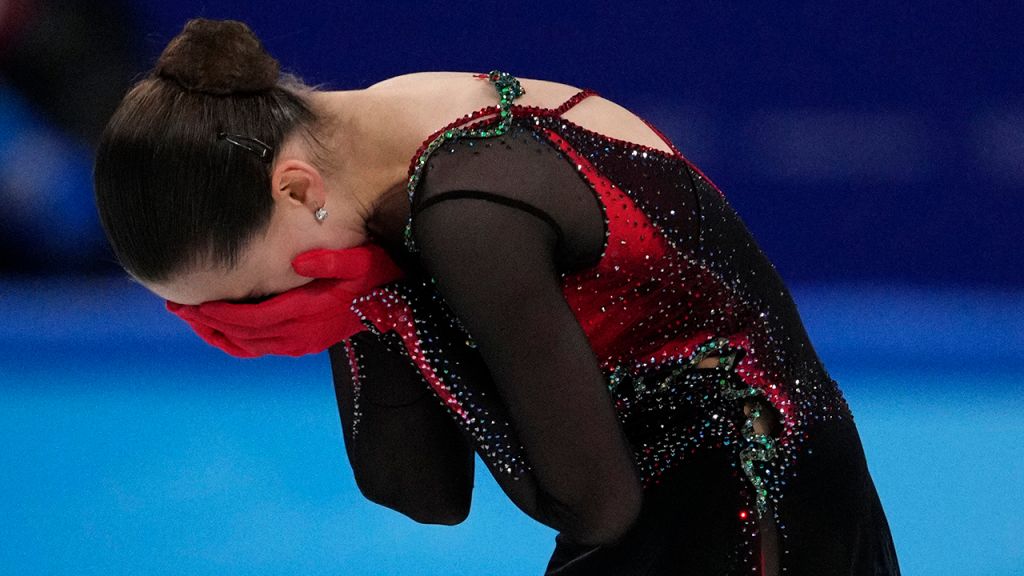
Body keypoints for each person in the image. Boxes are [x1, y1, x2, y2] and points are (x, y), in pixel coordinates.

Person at [92, 18, 902, 576]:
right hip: (683, 502)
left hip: (759, 509)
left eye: (253, 298)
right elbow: (423, 493)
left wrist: (388, 305)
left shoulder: (469, 208)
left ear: (296, 191)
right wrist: (369, 307)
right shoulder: (356, 168)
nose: (251, 328)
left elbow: (592, 503)